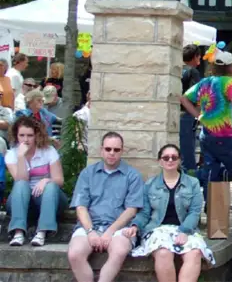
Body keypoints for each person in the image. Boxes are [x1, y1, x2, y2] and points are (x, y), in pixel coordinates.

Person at [180, 45, 232, 204]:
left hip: (206, 133)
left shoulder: (205, 82)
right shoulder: (229, 83)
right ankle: (196, 176)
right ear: (229, 66)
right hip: (223, 134)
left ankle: (211, 205)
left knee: (211, 170)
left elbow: (184, 98)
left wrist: (198, 115)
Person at [127, 144, 214, 282]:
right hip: (157, 229)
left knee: (195, 252)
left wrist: (184, 231)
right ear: (160, 161)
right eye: (166, 157)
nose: (170, 160)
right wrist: (135, 225)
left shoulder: (193, 183)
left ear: (179, 160)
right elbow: (145, 213)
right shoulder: (150, 185)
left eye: (174, 157)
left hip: (186, 228)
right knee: (163, 253)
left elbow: (194, 212)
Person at [67, 132, 145, 282]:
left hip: (119, 228)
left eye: (116, 150)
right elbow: (81, 206)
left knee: (119, 251)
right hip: (90, 225)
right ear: (101, 150)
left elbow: (131, 210)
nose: (112, 153)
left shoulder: (132, 175)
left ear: (122, 151)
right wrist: (90, 231)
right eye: (108, 149)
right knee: (75, 254)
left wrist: (110, 231)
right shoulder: (88, 173)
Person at [5, 116, 67, 246]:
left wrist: (46, 180)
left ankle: (42, 232)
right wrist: (21, 157)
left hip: (48, 199)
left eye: (30, 135)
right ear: (16, 136)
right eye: (22, 135)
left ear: (37, 135)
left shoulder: (48, 151)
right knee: (21, 185)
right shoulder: (12, 154)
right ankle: (18, 233)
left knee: (51, 186)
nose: (25, 140)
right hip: (22, 201)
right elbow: (21, 180)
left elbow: (59, 180)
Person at [180, 44, 202, 172]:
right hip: (188, 114)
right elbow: (198, 94)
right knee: (188, 150)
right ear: (195, 57)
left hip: (174, 113)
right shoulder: (192, 71)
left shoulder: (177, 69)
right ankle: (190, 178)